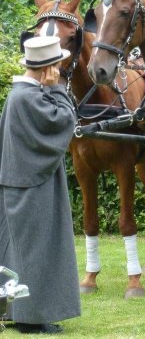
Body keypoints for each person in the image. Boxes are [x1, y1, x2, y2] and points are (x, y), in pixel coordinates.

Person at [0, 36, 80, 334]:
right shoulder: (29, 97)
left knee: (23, 251)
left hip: (23, 181)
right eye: (57, 63)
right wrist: (57, 88)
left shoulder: (21, 94)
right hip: (32, 185)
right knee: (35, 250)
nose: (61, 66)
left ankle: (22, 312)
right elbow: (64, 121)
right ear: (49, 67)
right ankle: (30, 317)